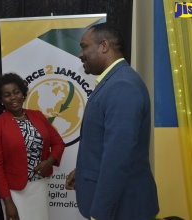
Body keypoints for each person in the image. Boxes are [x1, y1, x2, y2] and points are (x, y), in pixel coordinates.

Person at [65, 23, 159, 220]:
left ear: (104, 46)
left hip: (122, 209)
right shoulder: (115, 82)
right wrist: (82, 171)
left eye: (84, 46)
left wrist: (100, 214)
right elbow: (103, 144)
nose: (80, 54)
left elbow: (118, 159)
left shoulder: (122, 86)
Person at [0, 73, 65, 220]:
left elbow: (58, 143)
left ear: (23, 93)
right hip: (15, 192)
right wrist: (8, 202)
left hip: (39, 186)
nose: (13, 97)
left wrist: (48, 162)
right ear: (1, 100)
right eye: (7, 95)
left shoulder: (38, 116)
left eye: (16, 92)